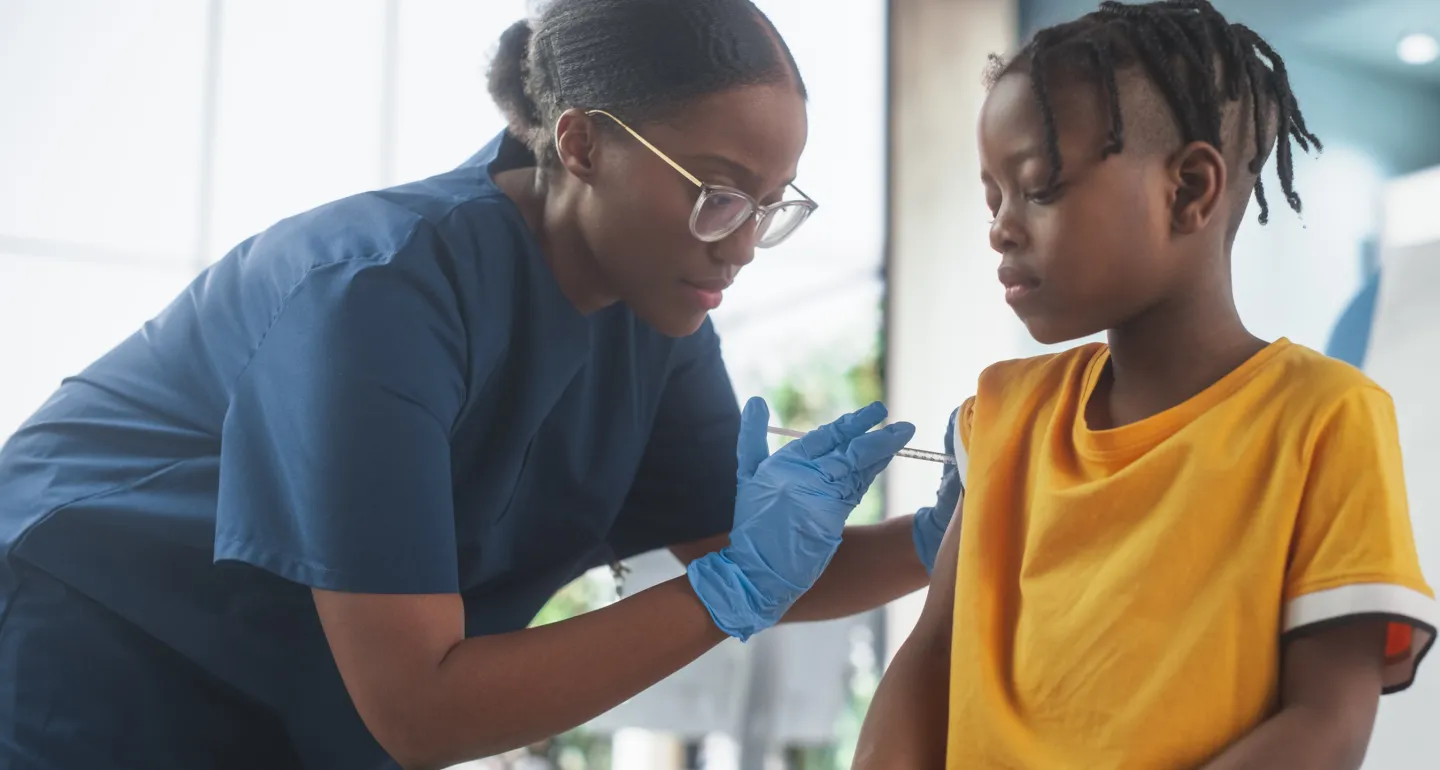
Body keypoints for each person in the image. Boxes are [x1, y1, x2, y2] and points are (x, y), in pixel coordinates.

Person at [0, 2, 961, 768]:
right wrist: (731, 591)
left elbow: (749, 558)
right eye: (716, 192)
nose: (743, 244)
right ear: (581, 144)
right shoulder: (376, 295)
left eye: (769, 204)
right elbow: (422, 710)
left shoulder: (655, 312)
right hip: (92, 651)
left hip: (297, 706)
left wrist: (949, 532)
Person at [854, 2, 1436, 768]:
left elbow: (1326, 724)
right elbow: (931, 659)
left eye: (1038, 188)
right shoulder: (1002, 415)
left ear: (1188, 189)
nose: (1000, 227)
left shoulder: (1323, 418)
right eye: (994, 197)